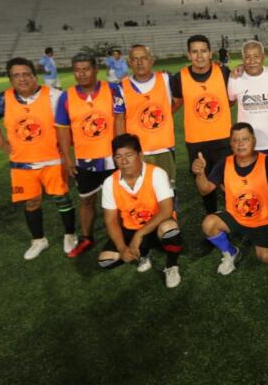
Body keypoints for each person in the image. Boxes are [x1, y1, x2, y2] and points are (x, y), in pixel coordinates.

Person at [0, 57, 77, 259]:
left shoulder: (54, 96)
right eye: (16, 75)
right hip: (22, 164)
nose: (22, 79)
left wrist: (68, 150)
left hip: (53, 160)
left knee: (62, 198)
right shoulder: (3, 99)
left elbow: (71, 123)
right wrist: (1, 142)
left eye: (26, 74)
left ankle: (70, 235)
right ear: (10, 79)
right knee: (31, 202)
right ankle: (38, 240)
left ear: (34, 76)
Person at [56, 53, 125, 257]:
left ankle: (121, 236)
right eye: (77, 70)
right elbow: (62, 129)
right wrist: (68, 159)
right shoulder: (66, 97)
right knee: (86, 201)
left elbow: (120, 119)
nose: (81, 74)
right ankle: (87, 238)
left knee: (119, 201)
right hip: (85, 161)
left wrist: (122, 153)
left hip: (112, 159)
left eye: (86, 69)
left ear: (96, 69)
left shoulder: (112, 89)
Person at [193, 123, 268, 275]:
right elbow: (205, 190)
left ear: (254, 141)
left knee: (267, 258)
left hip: (263, 221)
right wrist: (200, 173)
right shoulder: (225, 163)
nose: (240, 144)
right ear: (230, 143)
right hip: (235, 217)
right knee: (209, 224)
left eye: (245, 139)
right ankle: (231, 253)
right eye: (235, 140)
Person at [171, 34, 232, 253]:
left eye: (203, 51)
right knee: (205, 187)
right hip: (197, 142)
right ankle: (212, 226)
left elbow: (231, 98)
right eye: (194, 51)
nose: (199, 55)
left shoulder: (223, 73)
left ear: (210, 52)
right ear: (189, 54)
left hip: (224, 139)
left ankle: (234, 223)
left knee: (228, 184)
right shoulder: (179, 77)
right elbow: (175, 103)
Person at [97, 134, 182, 289]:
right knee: (105, 260)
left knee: (170, 229)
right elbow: (110, 221)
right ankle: (142, 255)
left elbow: (166, 210)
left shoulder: (157, 173)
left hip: (157, 226)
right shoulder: (110, 183)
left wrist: (139, 235)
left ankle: (171, 266)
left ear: (140, 155)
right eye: (119, 157)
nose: (124, 161)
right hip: (131, 228)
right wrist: (122, 248)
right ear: (114, 159)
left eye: (129, 155)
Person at [118, 45, 176, 188]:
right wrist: (123, 149)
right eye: (135, 59)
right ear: (129, 63)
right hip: (137, 151)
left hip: (165, 148)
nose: (139, 62)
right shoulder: (121, 87)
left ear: (151, 60)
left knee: (168, 191)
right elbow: (119, 118)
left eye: (144, 58)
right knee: (142, 192)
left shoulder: (166, 79)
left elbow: (179, 100)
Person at [227, 41, 268, 161]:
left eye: (256, 56)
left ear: (263, 57)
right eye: (247, 57)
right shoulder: (235, 78)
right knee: (249, 178)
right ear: (243, 58)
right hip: (246, 143)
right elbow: (230, 100)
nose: (252, 61)